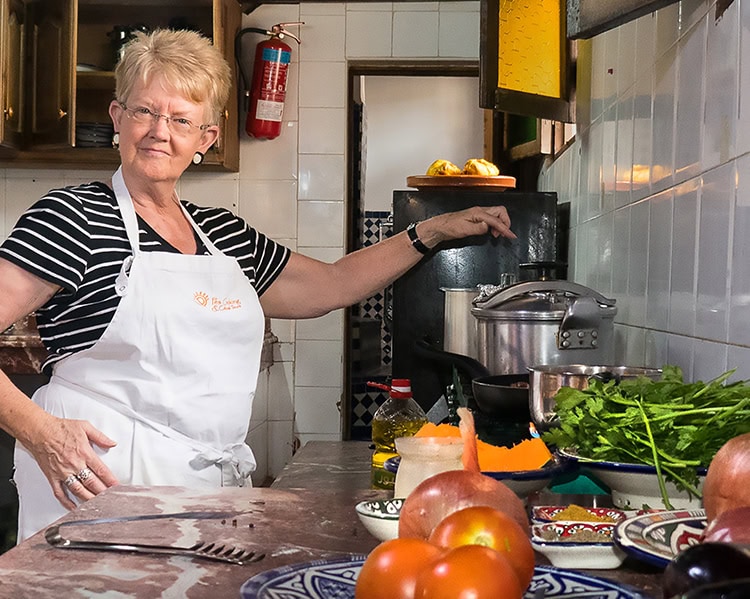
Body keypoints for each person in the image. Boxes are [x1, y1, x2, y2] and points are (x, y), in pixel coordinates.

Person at [0, 29, 516, 542]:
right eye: (144, 111)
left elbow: (331, 285)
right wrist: (40, 431)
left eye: (181, 119)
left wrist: (433, 231)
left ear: (207, 137)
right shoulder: (73, 218)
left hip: (204, 488)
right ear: (117, 118)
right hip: (96, 484)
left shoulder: (223, 235)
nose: (160, 131)